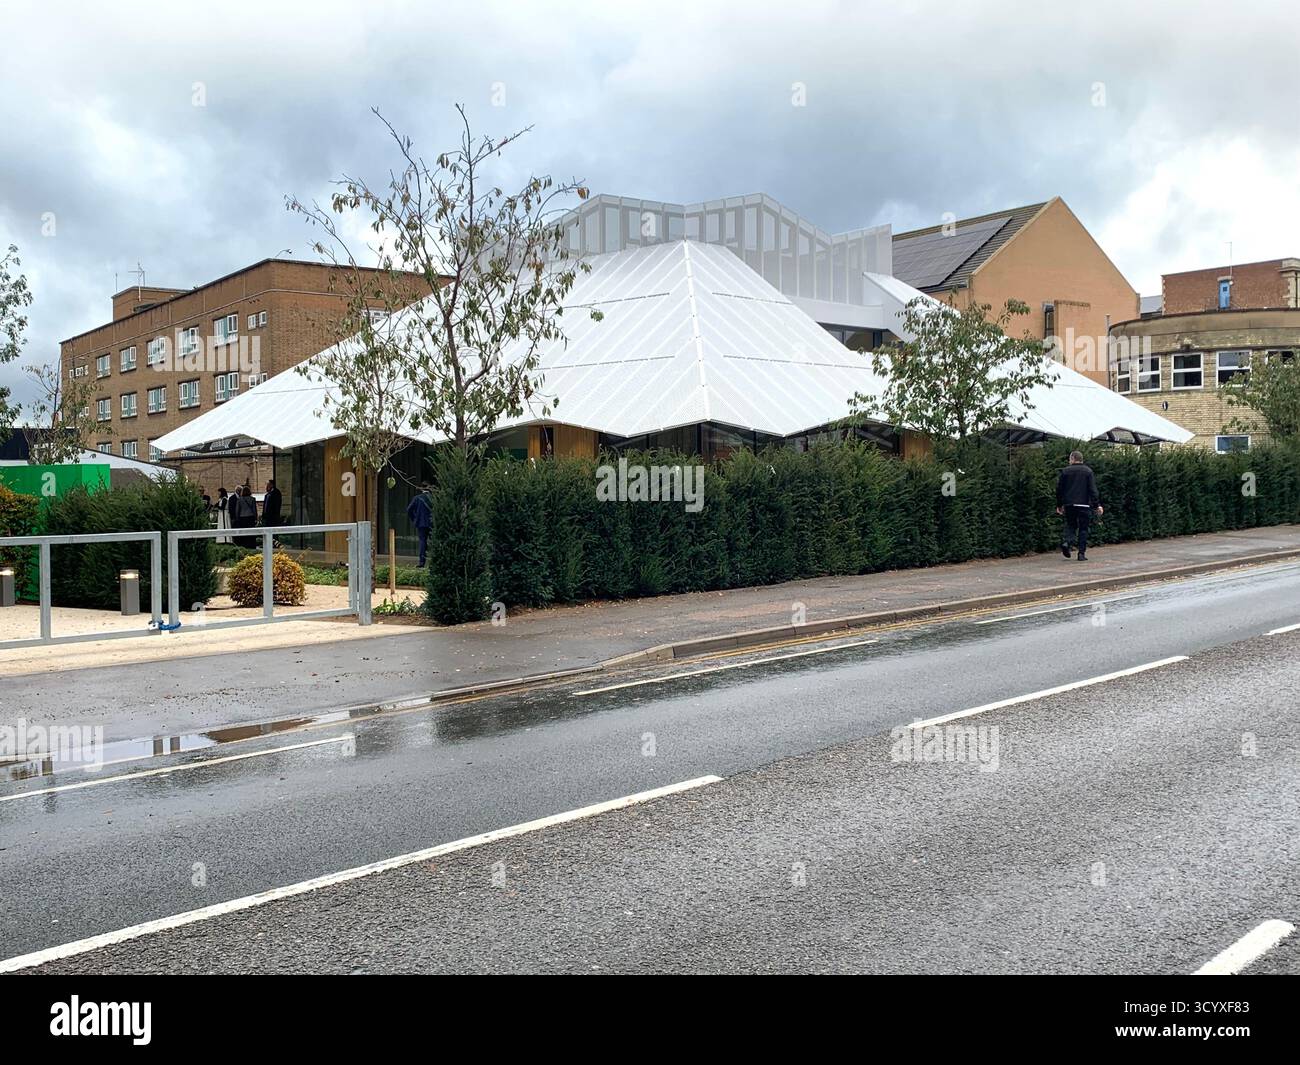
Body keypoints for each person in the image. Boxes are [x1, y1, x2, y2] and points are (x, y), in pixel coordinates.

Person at [1056, 450, 1103, 561]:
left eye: (1069, 459)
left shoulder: (1065, 471)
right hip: (1084, 505)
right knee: (1083, 529)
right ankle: (1081, 554)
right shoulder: (1088, 471)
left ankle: (1067, 543)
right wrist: (1097, 505)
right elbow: (1093, 490)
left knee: (1071, 525)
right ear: (1081, 459)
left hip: (1069, 504)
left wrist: (1059, 505)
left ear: (1073, 459)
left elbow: (1059, 490)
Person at [406, 482, 433, 567]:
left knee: (422, 542)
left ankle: (422, 562)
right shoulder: (434, 498)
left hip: (421, 523)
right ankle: (434, 561)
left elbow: (409, 509)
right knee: (434, 542)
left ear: (421, 489)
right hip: (433, 523)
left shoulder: (417, 498)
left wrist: (414, 519)